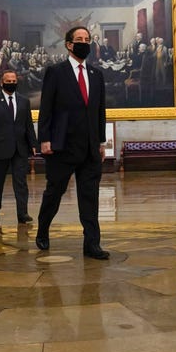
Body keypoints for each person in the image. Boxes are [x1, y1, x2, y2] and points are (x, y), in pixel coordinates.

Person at [36, 26, 109, 259]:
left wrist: (101, 142)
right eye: (79, 40)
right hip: (62, 146)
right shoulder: (56, 72)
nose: (84, 43)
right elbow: (46, 108)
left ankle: (92, 244)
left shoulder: (97, 75)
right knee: (54, 192)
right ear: (69, 44)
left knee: (90, 196)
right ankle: (43, 229)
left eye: (87, 40)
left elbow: (99, 111)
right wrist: (44, 140)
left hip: (89, 147)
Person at [0, 70, 38, 223]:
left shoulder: (24, 101)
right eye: (9, 81)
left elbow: (28, 125)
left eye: (14, 81)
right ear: (1, 82)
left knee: (21, 182)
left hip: (20, 148)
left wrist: (33, 143)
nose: (12, 83)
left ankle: (22, 213)